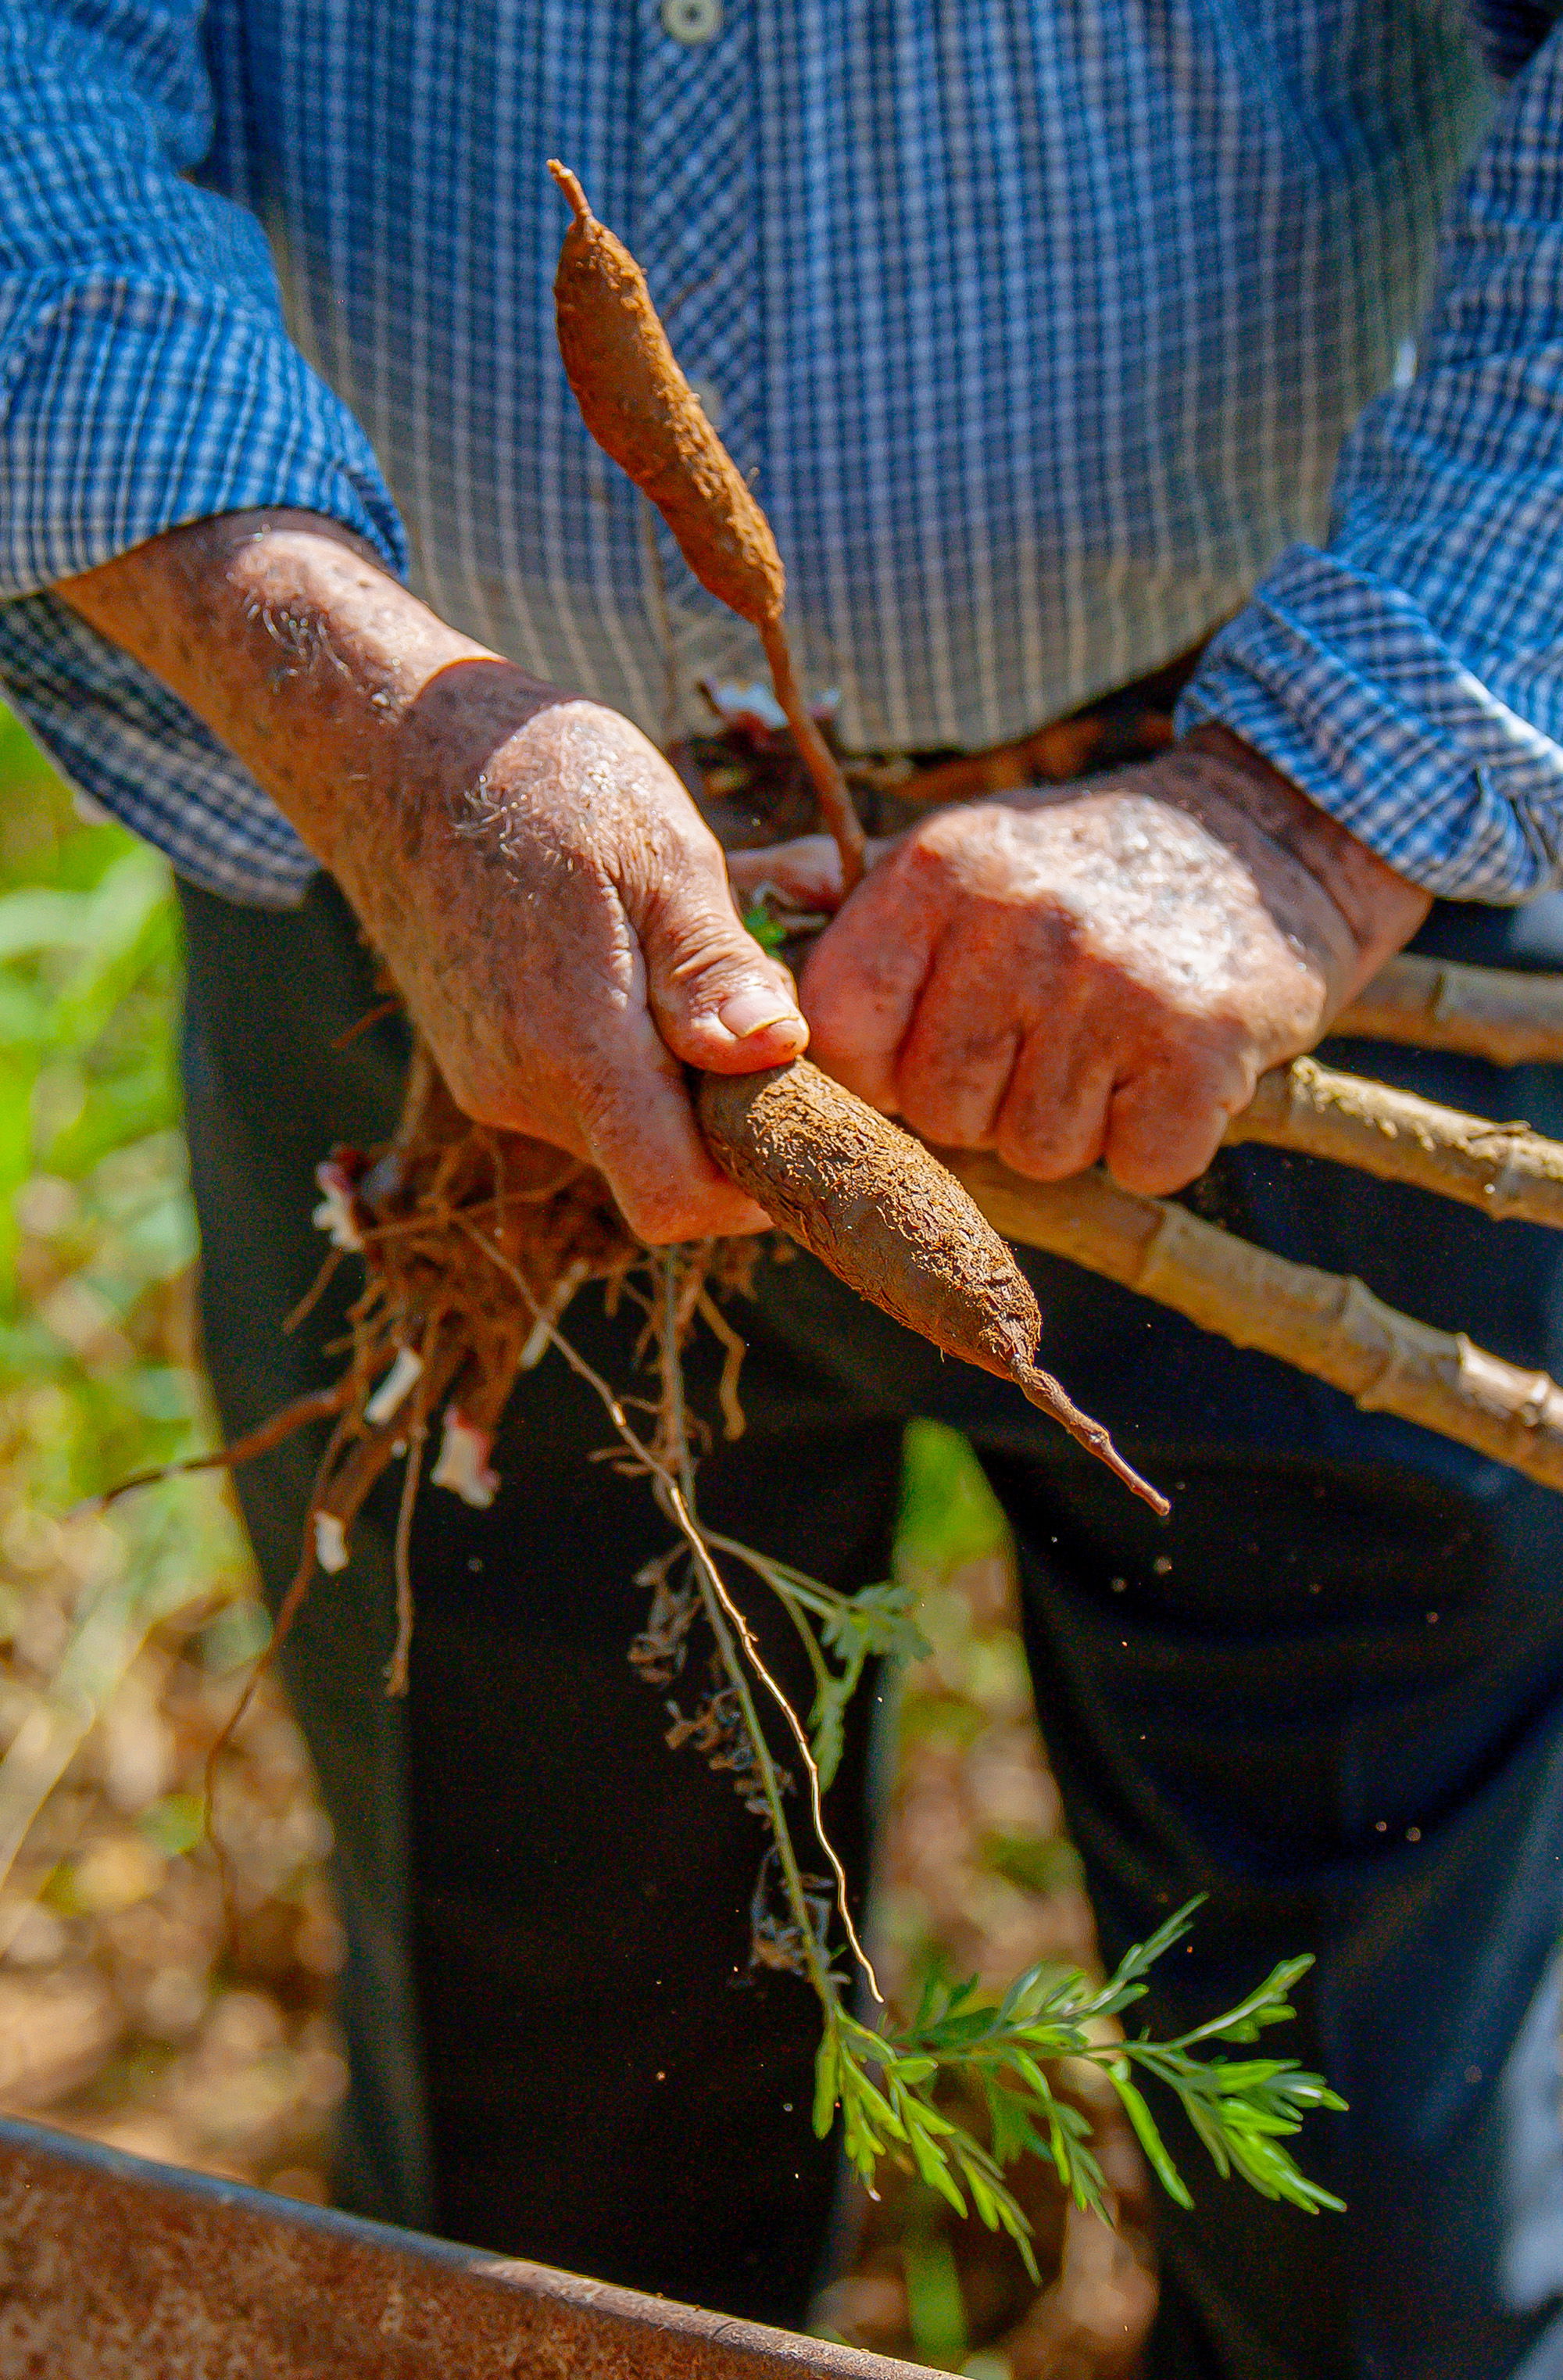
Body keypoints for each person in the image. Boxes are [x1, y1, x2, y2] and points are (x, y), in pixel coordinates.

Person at [5, 2, 1563, 2371]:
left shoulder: (1318, 837)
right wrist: (362, 713)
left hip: (1295, 918)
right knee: (549, 2205)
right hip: (446, 970)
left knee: (1396, 2229)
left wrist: (1310, 808)